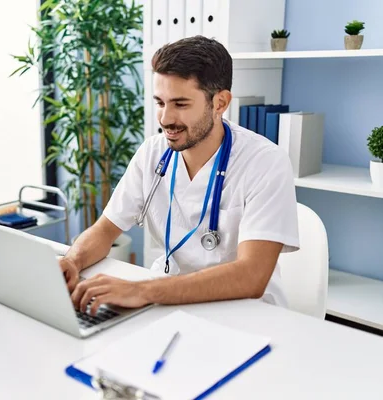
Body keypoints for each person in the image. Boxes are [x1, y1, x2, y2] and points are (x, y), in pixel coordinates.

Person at [60, 35, 300, 315]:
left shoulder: (265, 163)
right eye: (160, 103)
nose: (164, 119)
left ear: (220, 103)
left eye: (180, 104)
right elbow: (105, 230)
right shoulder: (153, 152)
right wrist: (72, 261)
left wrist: (141, 291)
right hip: (169, 301)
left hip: (245, 312)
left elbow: (251, 276)